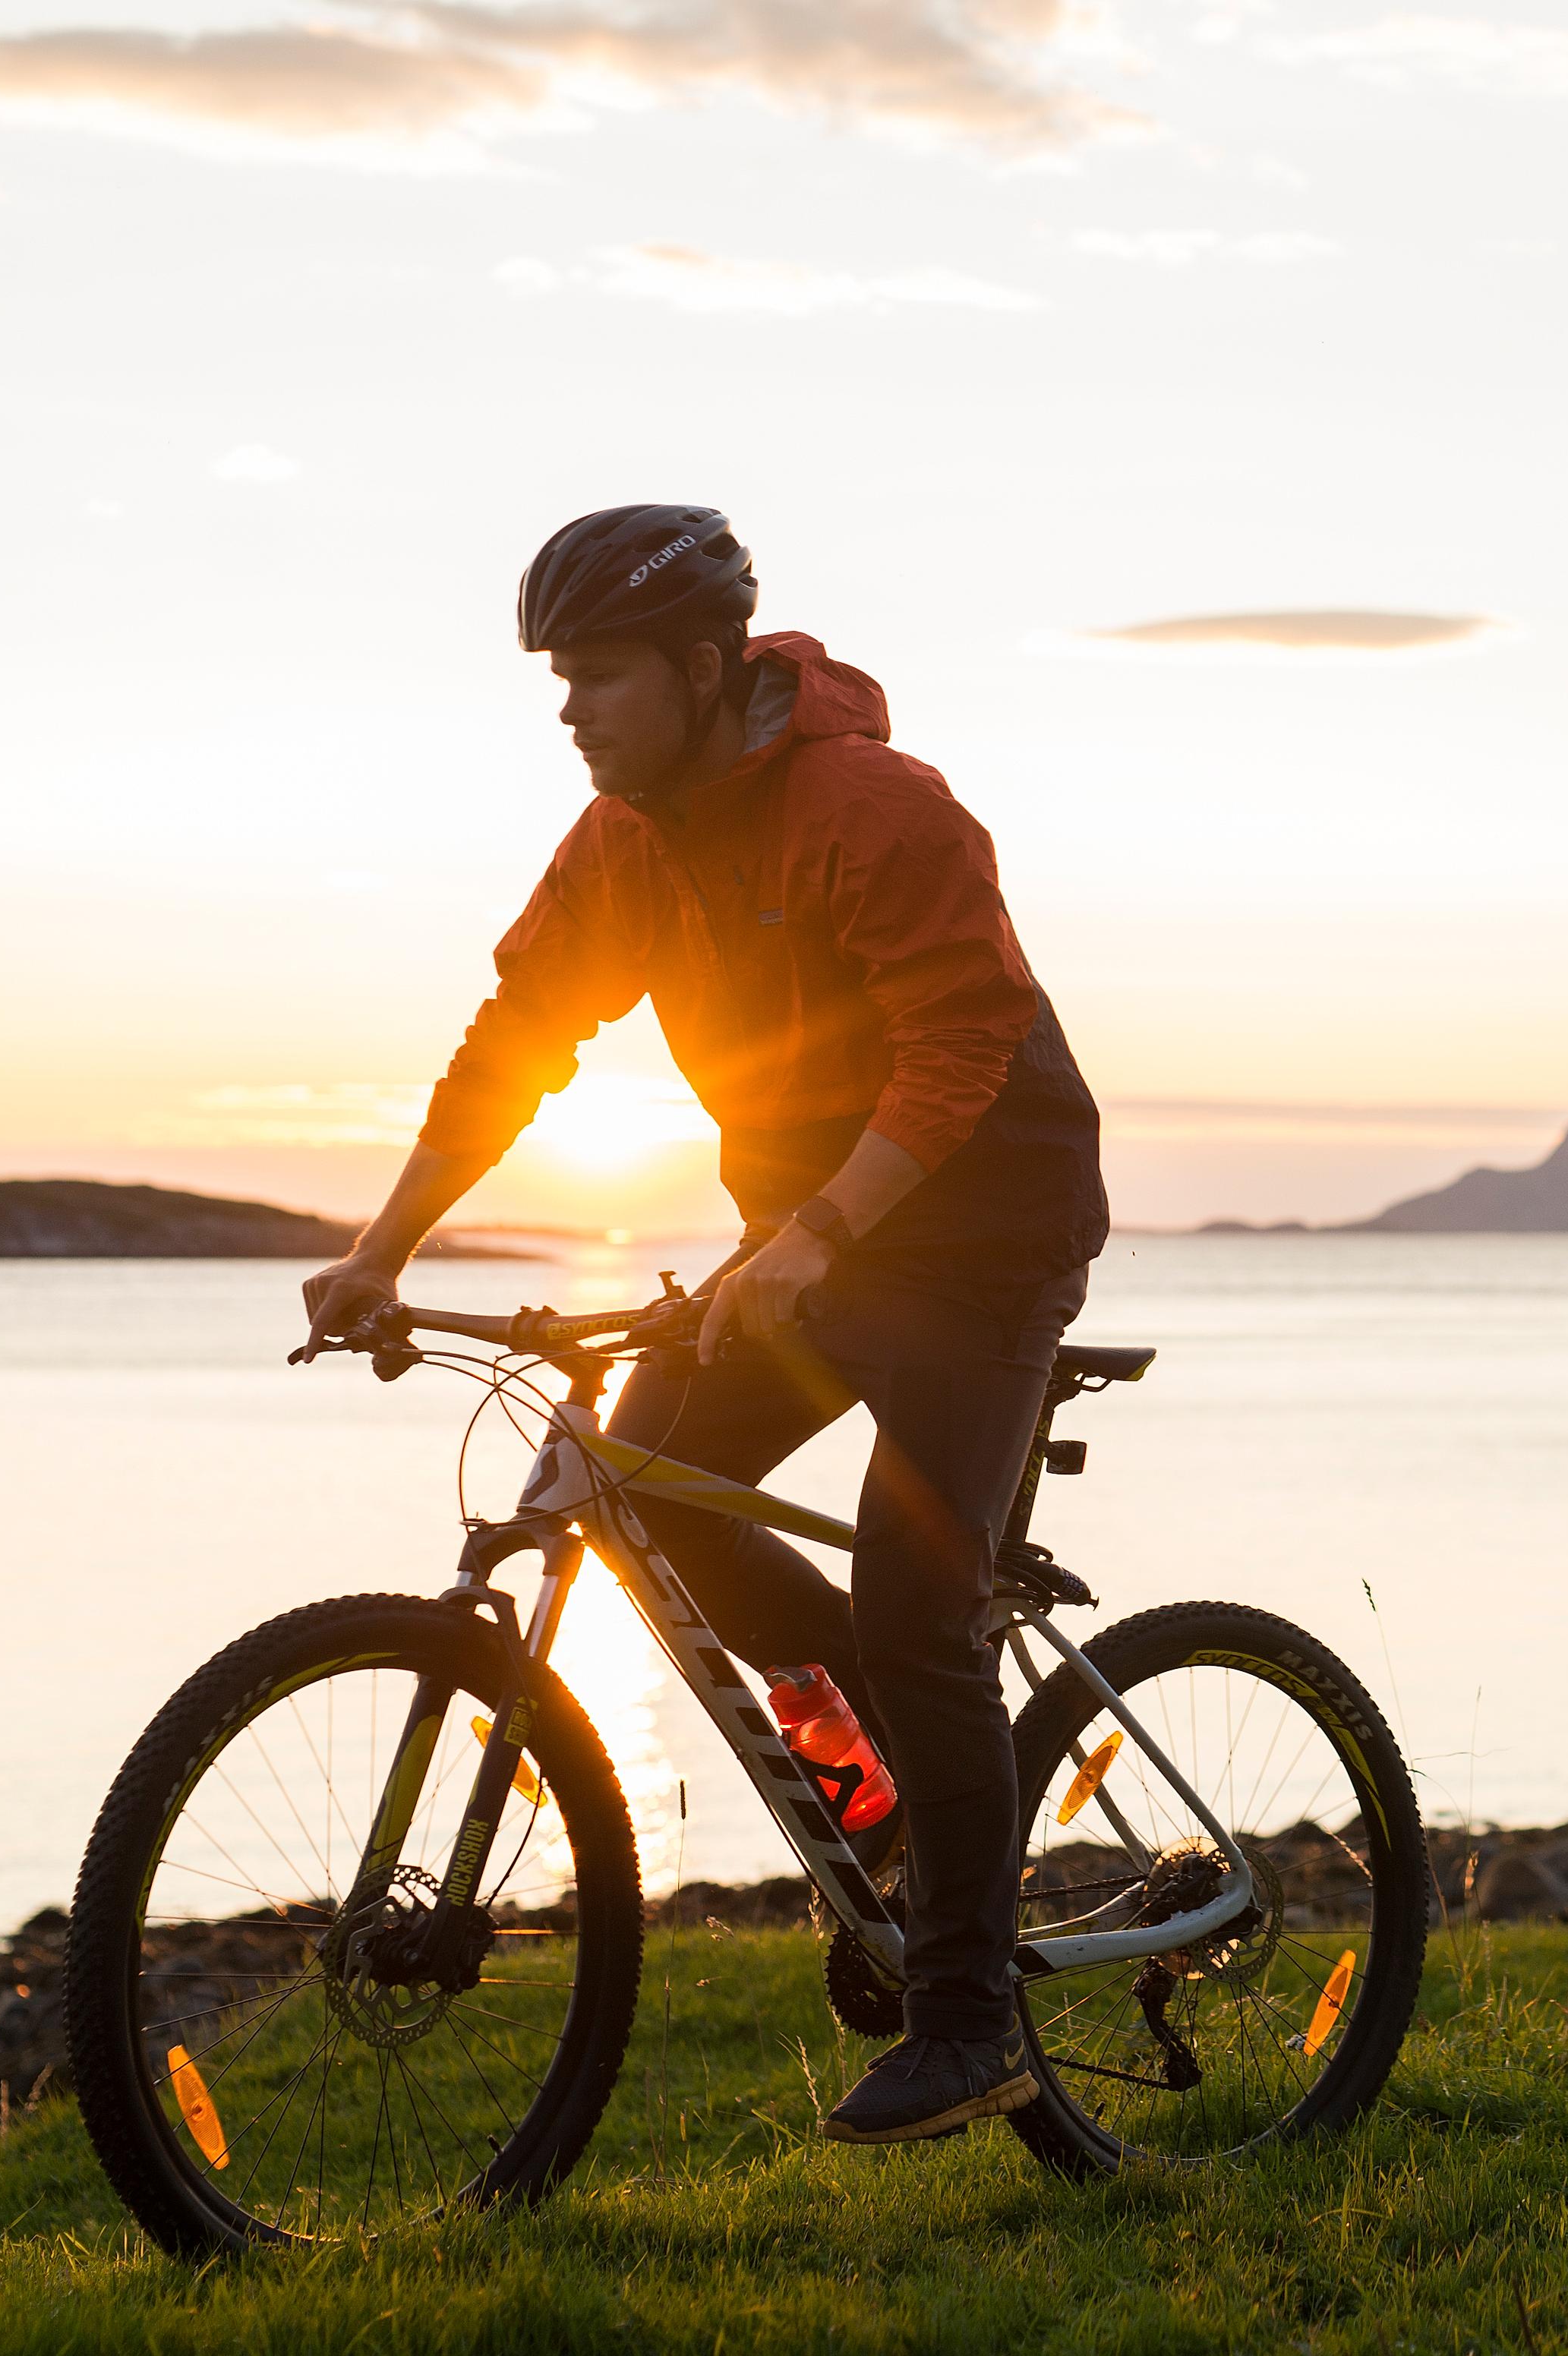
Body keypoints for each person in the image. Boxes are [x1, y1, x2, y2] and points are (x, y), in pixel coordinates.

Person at [300, 504, 1109, 2146]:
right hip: (801, 1247)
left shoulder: (877, 812)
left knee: (915, 1601)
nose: (570, 711)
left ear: (696, 664)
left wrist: (818, 1230)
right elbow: (519, 1036)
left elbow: (962, 1042)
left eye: (596, 675)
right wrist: (382, 1244)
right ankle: (888, 1775)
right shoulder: (623, 844)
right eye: (557, 681)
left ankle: (973, 2019)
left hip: (985, 1241)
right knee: (638, 1478)